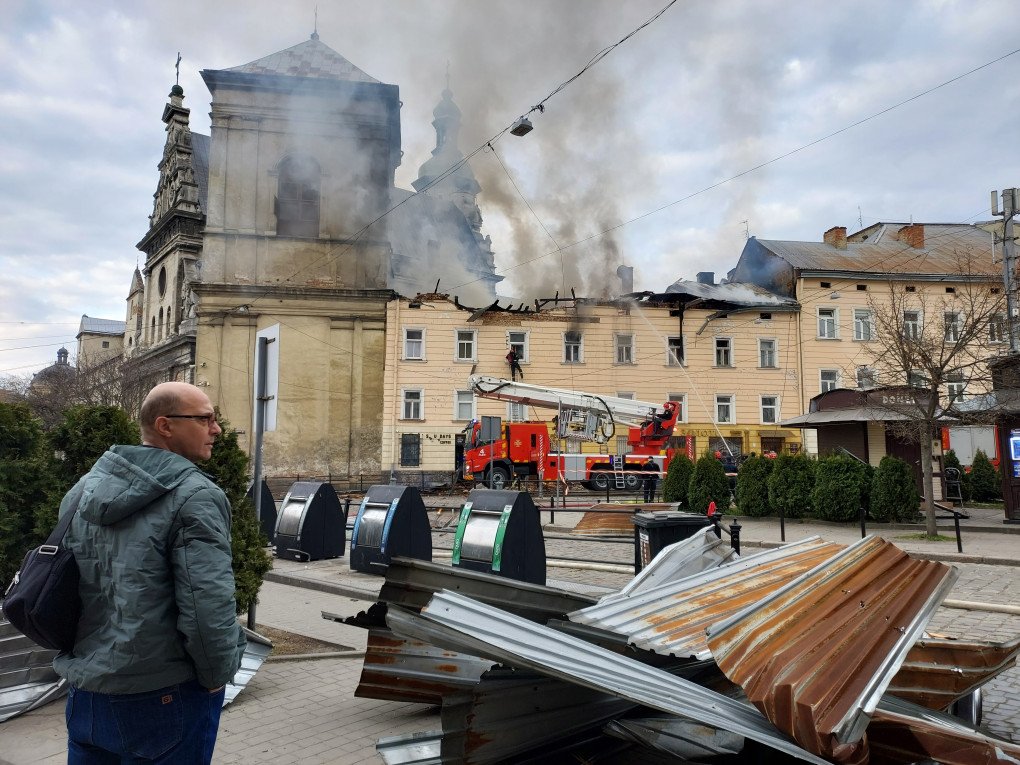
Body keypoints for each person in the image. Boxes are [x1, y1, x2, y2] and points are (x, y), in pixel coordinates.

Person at [53, 381, 246, 764]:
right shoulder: (196, 496)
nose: (216, 429)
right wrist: (216, 676)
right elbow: (206, 604)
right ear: (165, 425)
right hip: (162, 696)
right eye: (205, 418)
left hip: (85, 693)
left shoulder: (84, 489)